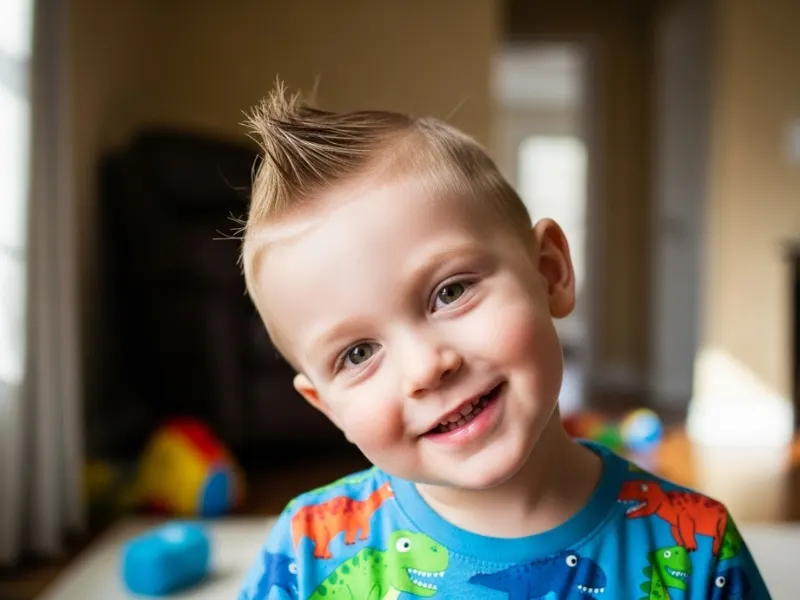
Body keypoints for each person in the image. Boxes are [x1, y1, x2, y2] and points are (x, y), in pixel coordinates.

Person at [236, 82, 770, 599]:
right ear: (325, 406)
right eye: (357, 354)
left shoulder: (699, 549)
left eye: (450, 292)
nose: (425, 367)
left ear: (550, 271)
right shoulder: (307, 552)